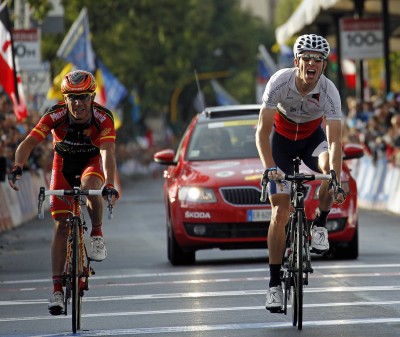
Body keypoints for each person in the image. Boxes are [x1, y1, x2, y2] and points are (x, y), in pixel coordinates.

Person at [8, 70, 119, 315]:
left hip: (90, 162)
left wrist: (109, 183)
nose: (78, 104)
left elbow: (107, 153)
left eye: (83, 98)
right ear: (65, 99)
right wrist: (17, 166)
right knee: (60, 225)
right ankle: (57, 290)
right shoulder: (55, 114)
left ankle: (97, 234)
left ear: (92, 98)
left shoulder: (103, 117)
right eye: (72, 98)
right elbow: (28, 142)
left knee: (92, 189)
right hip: (63, 164)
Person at [255, 34, 346, 312]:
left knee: (329, 172)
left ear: (323, 65)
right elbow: (262, 131)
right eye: (306, 58)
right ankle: (273, 286)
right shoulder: (279, 82)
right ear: (296, 61)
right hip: (280, 144)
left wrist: (336, 177)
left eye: (317, 59)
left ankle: (319, 223)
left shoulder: (329, 92)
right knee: (280, 213)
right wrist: (270, 167)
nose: (312, 63)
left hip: (311, 141)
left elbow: (334, 141)